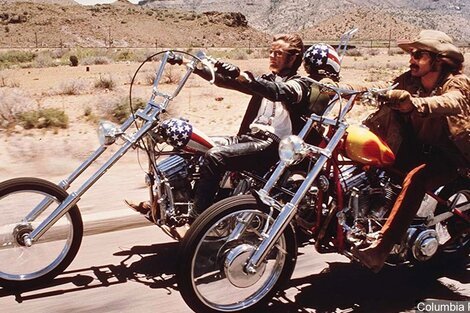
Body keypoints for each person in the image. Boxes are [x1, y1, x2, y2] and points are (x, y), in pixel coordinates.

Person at [352, 29, 470, 273]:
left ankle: (381, 249)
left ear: (438, 59)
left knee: (416, 179)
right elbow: (381, 87)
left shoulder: (456, 82)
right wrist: (346, 88)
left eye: (419, 54)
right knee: (370, 161)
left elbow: (452, 101)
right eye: (412, 54)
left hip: (450, 155)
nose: (411, 59)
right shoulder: (410, 79)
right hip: (415, 148)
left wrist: (413, 103)